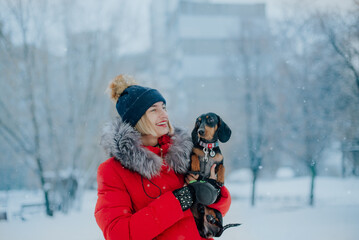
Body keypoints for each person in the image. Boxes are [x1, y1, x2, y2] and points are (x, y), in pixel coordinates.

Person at [94, 75, 232, 240]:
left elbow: (219, 210)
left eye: (164, 107)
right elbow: (119, 233)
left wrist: (211, 190)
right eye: (154, 110)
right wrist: (177, 201)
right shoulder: (112, 171)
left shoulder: (185, 154)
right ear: (137, 119)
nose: (164, 115)